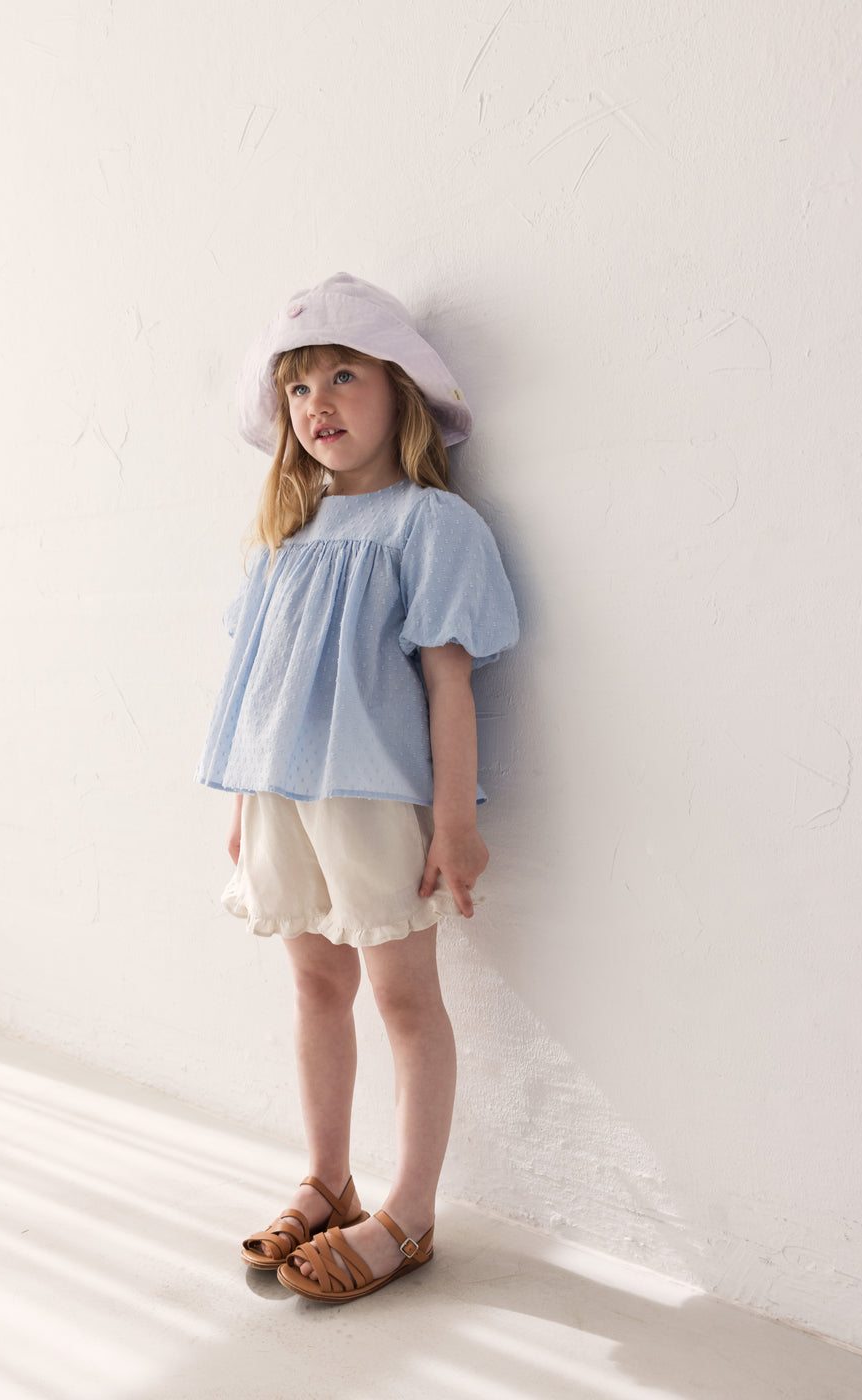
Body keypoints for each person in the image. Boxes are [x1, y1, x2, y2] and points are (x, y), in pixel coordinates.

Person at [196, 272, 518, 1301]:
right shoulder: (283, 540)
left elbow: (449, 679)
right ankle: (325, 1179)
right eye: (297, 387)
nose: (318, 402)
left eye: (342, 374)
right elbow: (258, 689)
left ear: (400, 393)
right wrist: (246, 807)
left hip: (376, 800)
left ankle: (409, 1211)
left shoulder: (430, 526)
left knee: (403, 998)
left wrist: (455, 819)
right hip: (284, 802)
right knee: (313, 985)